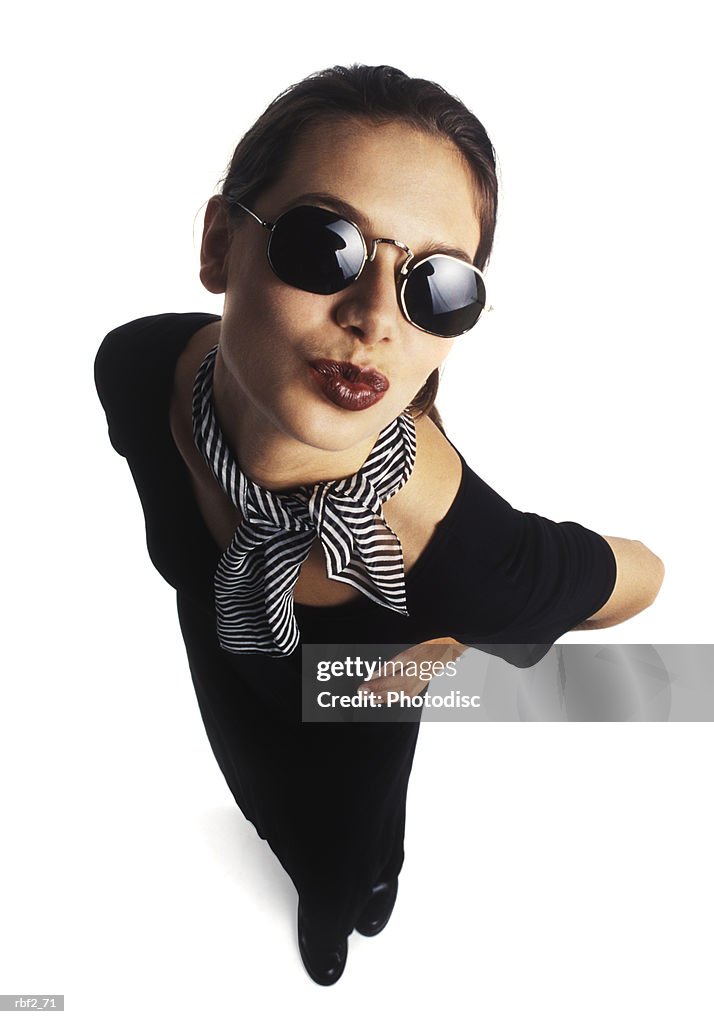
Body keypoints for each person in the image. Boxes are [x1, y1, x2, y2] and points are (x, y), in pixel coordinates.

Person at [94, 64, 664, 985]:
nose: (372, 322)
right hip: (222, 649)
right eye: (325, 246)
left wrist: (452, 638)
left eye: (434, 286)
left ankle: (346, 903)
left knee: (347, 849)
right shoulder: (135, 366)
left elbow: (643, 576)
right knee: (257, 783)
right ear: (218, 244)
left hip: (365, 696)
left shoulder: (457, 551)